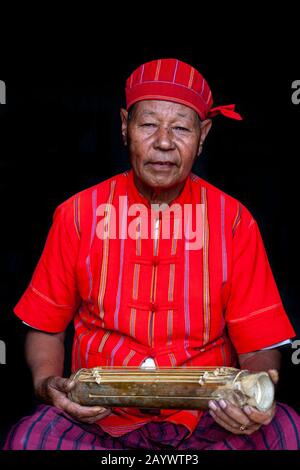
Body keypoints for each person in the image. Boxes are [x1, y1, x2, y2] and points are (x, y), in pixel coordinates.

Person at [3, 58, 300, 450]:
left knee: (285, 431)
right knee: (30, 440)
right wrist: (48, 385)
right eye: (148, 124)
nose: (163, 141)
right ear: (124, 127)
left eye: (180, 127)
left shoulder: (234, 223)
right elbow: (45, 327)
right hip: (98, 419)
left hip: (206, 419)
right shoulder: (76, 215)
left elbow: (260, 346)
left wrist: (254, 401)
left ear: (203, 133)